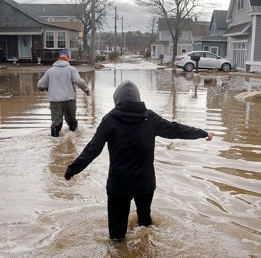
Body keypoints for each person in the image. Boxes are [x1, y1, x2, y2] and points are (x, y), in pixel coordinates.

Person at [64, 80, 214, 241]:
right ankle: (144, 257)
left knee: (116, 237)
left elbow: (92, 149)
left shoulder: (110, 120)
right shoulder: (150, 118)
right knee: (145, 226)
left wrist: (72, 169)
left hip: (119, 186)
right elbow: (176, 130)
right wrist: (203, 133)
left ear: (117, 99)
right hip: (145, 184)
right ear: (138, 98)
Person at [37, 53, 90, 137]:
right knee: (72, 122)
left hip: (55, 101)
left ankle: (55, 141)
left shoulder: (50, 71)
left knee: (56, 123)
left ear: (58, 60)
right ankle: (73, 140)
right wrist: (87, 90)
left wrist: (46, 88)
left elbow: (40, 85)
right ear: (67, 61)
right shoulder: (71, 69)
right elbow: (79, 81)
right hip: (69, 100)